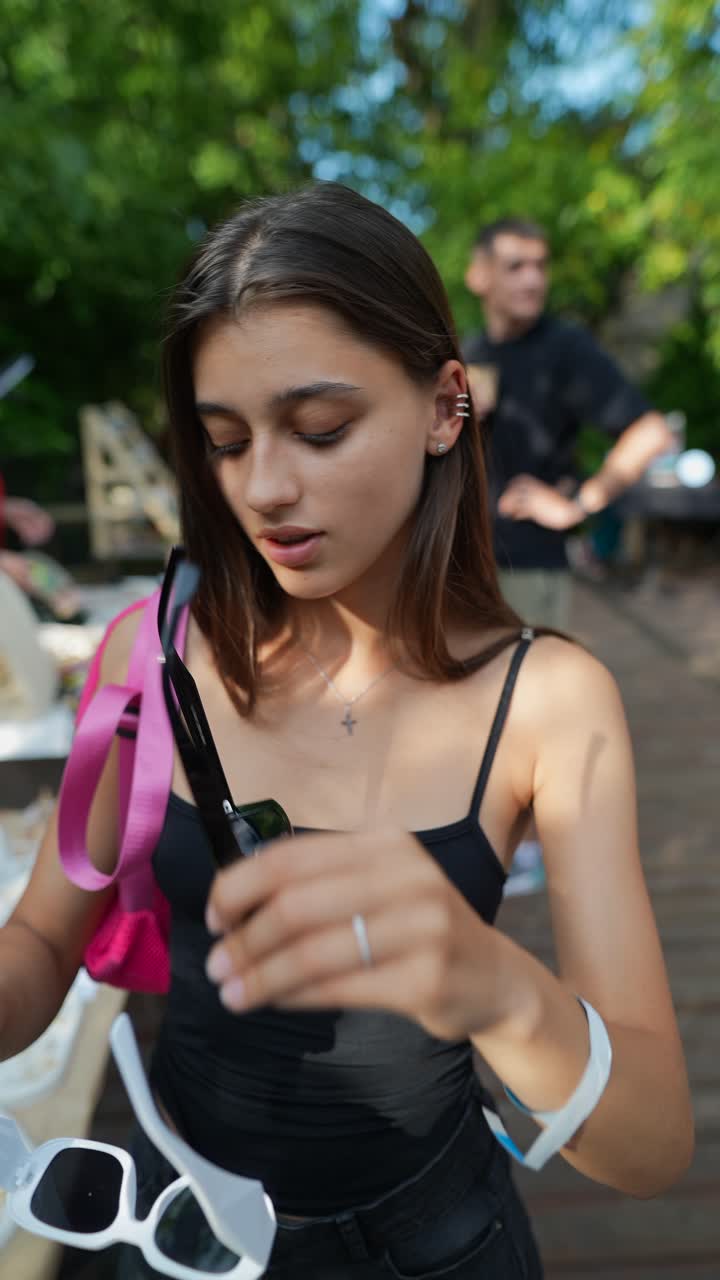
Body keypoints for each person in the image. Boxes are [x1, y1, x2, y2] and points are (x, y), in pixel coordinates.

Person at [0, 184, 692, 1279]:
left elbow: (652, 1139)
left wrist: (498, 983)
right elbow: (41, 941)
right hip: (176, 1229)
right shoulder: (158, 654)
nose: (266, 486)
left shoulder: (551, 700)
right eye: (224, 443)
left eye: (321, 428)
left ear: (443, 405)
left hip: (431, 1238)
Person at [462, 217, 675, 630]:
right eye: (515, 266)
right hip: (463, 563)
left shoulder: (564, 346)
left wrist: (579, 503)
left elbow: (651, 432)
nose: (533, 280)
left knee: (526, 692)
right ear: (479, 275)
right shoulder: (470, 350)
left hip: (527, 566)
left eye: (541, 266)